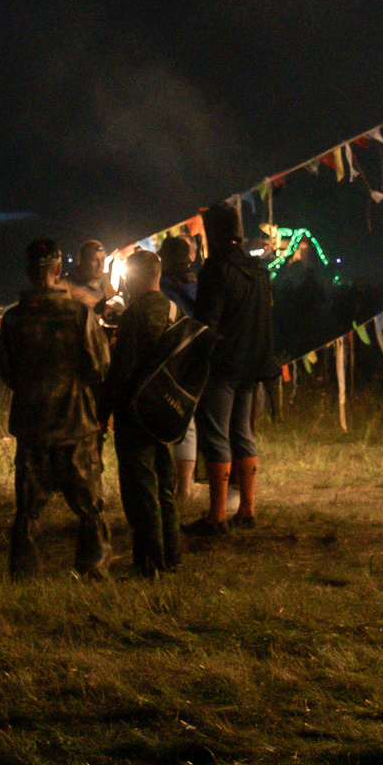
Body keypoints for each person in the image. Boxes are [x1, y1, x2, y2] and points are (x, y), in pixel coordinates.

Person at [0, 238, 110, 579]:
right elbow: (99, 366)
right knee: (89, 506)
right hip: (76, 424)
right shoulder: (79, 314)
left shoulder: (14, 319)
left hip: (32, 425)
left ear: (30, 273)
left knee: (28, 508)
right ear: (59, 270)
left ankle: (25, 572)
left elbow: (6, 371)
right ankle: (93, 569)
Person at [103, 250, 193, 576]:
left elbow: (121, 371)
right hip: (164, 414)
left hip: (134, 415)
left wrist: (103, 413)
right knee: (165, 488)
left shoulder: (134, 316)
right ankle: (173, 556)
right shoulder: (176, 310)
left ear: (137, 277)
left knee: (140, 490)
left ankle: (149, 562)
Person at [190, 203, 274, 536]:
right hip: (253, 364)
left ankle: (216, 517)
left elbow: (205, 324)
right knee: (242, 433)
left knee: (215, 435)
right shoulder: (259, 271)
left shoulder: (216, 270)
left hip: (223, 365)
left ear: (215, 233)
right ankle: (247, 511)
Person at [158, 236, 201, 499]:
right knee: (190, 422)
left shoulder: (163, 285)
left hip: (170, 356)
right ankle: (184, 489)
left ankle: (174, 488)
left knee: (169, 419)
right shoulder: (199, 285)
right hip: (196, 354)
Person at [63, 239, 119, 325]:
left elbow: (112, 302)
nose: (100, 265)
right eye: (95, 260)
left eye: (102, 260)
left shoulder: (103, 279)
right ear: (82, 261)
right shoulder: (66, 285)